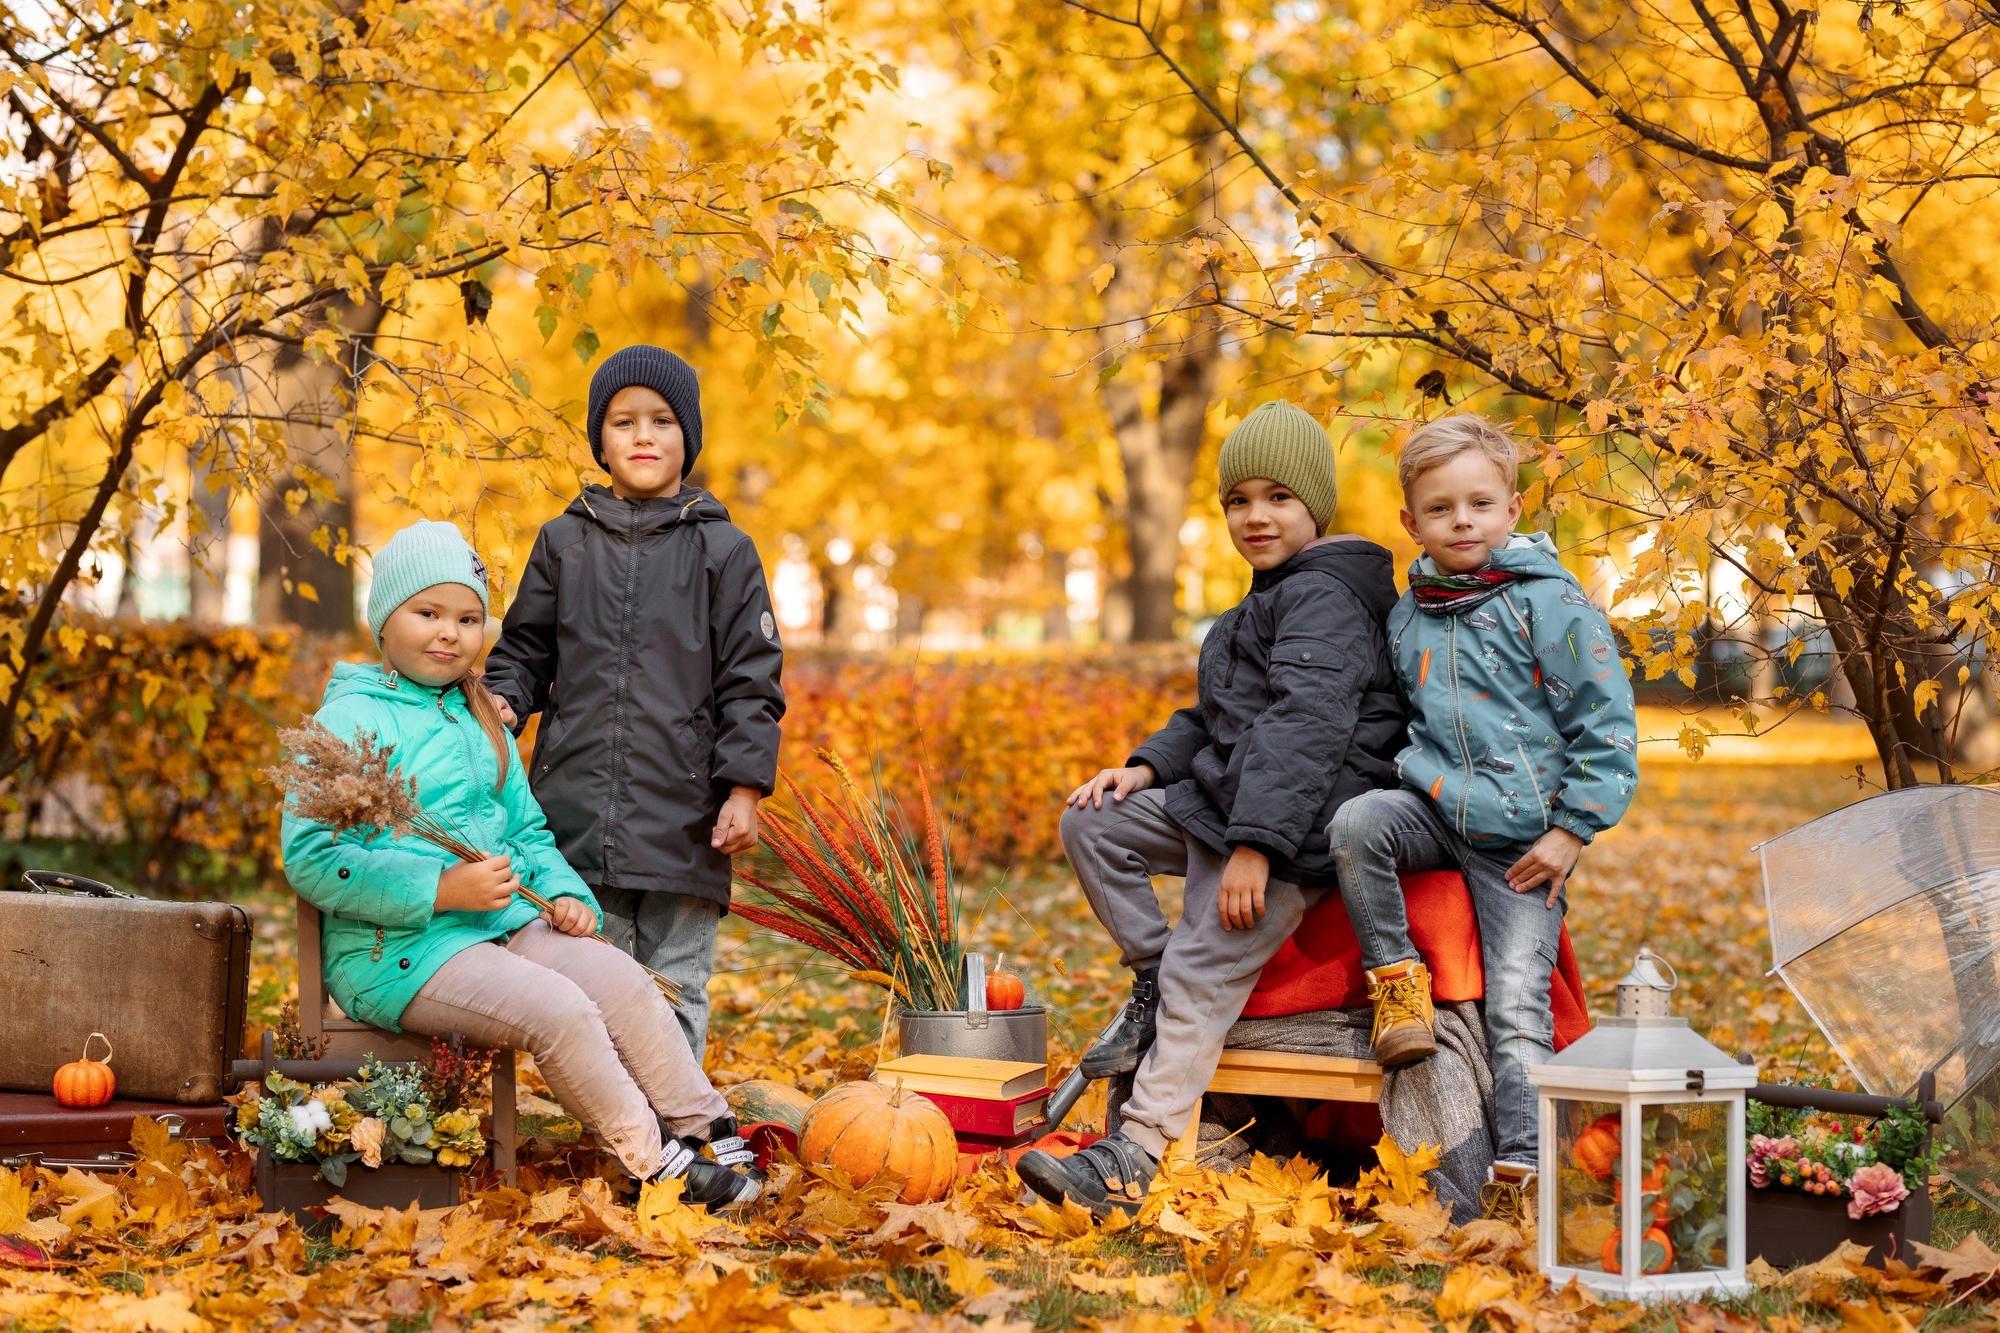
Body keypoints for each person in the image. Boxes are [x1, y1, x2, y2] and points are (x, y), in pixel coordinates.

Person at [280, 521, 762, 1209]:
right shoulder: (349, 723)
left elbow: (528, 829)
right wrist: (442, 887)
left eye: (469, 618)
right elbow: (314, 858)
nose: (449, 633)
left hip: (502, 927)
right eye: (428, 613)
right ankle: (655, 1166)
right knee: (562, 1009)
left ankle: (705, 1124)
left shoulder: (481, 715)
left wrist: (565, 894)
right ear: (385, 620)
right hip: (398, 952)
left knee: (623, 981)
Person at [1014, 401, 1408, 1219]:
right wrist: (1144, 765)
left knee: (1206, 960)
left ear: (1315, 506)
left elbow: (1304, 730)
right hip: (1234, 805)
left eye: (1278, 497)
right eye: (1238, 500)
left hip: (1298, 830)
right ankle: (1154, 978)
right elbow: (1217, 716)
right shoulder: (1266, 599)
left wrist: (1256, 850)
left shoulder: (1327, 599)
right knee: (1092, 821)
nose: (1255, 515)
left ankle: (1134, 1152)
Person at [1328, 413, 1638, 1219]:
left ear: (1511, 506)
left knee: (1512, 1003)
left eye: (1478, 503)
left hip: (1523, 844)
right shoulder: (1409, 615)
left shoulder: (1551, 604)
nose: (1461, 521)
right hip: (1435, 812)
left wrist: (1571, 830)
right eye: (1440, 509)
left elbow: (1606, 725)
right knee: (1358, 823)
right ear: (1411, 523)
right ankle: (1397, 983)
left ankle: (1524, 1170)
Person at [484, 344, 785, 1070]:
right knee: (592, 983)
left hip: (686, 820)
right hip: (579, 813)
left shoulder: (724, 551)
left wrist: (743, 789)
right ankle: (615, 1127)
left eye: (661, 420)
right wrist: (503, 700)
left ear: (689, 436)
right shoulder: (563, 542)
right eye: (623, 422)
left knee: (674, 983)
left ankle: (680, 1127)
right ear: (601, 439)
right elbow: (525, 648)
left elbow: (752, 679)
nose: (643, 435)